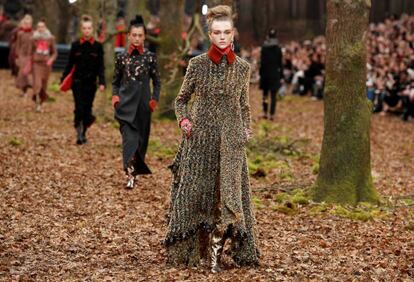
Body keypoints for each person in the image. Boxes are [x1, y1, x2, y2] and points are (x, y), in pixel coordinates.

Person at [164, 5, 259, 273]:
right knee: (197, 195)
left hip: (231, 141)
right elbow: (181, 100)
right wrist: (184, 122)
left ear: (233, 34)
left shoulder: (242, 68)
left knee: (229, 196)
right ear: (209, 34)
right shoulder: (196, 65)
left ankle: (221, 252)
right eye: (217, 32)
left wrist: (246, 129)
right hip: (200, 139)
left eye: (227, 32)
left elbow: (244, 106)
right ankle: (196, 249)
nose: (222, 37)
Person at [112, 15, 161, 189]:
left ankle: (134, 172)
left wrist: (154, 99)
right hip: (125, 106)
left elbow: (157, 82)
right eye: (134, 35)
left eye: (140, 35)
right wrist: (115, 97)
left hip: (143, 106)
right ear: (129, 36)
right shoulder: (121, 57)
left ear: (144, 37)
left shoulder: (150, 57)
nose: (137, 38)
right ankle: (130, 173)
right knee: (129, 140)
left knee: (141, 141)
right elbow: (116, 81)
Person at [61, 15, 105, 145]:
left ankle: (84, 131)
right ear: (81, 29)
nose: (87, 30)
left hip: (91, 83)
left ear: (92, 30)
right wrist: (63, 78)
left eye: (89, 28)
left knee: (87, 109)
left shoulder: (97, 46)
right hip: (77, 82)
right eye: (84, 28)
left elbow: (100, 66)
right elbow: (69, 64)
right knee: (79, 107)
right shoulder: (75, 45)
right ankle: (79, 132)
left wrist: (102, 82)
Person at [30, 18, 57, 112]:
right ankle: (37, 102)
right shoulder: (33, 39)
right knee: (37, 84)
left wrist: (51, 59)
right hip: (36, 64)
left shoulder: (50, 38)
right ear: (37, 28)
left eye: (42, 26)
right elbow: (30, 51)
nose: (40, 28)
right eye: (39, 27)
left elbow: (54, 52)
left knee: (43, 86)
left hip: (46, 65)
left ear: (45, 27)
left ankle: (41, 104)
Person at [259, 28, 283, 120]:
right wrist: (281, 76)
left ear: (268, 36)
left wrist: (261, 73)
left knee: (265, 95)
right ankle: (272, 114)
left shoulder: (264, 48)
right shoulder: (278, 48)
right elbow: (280, 63)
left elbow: (262, 62)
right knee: (273, 95)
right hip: (274, 74)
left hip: (265, 74)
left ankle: (265, 112)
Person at [15, 14, 33, 97]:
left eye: (28, 24)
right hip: (22, 55)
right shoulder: (20, 34)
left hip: (30, 55)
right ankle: (23, 90)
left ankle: (29, 86)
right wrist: (17, 55)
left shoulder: (34, 33)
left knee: (28, 73)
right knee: (22, 73)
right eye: (25, 24)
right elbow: (17, 45)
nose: (27, 25)